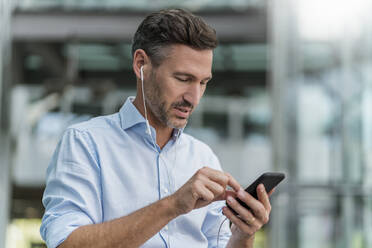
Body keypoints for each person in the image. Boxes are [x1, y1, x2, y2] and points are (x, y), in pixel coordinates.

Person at [40, 8, 273, 248]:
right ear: (141, 64)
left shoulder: (203, 157)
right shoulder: (85, 143)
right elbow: (66, 244)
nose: (194, 98)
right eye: (183, 79)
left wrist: (243, 236)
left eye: (203, 83)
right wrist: (172, 205)